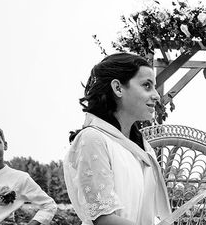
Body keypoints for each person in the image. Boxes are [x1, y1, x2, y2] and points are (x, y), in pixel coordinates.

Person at [63, 52, 171, 225]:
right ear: (118, 88)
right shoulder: (93, 139)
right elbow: (103, 219)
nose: (157, 95)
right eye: (146, 85)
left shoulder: (142, 147)